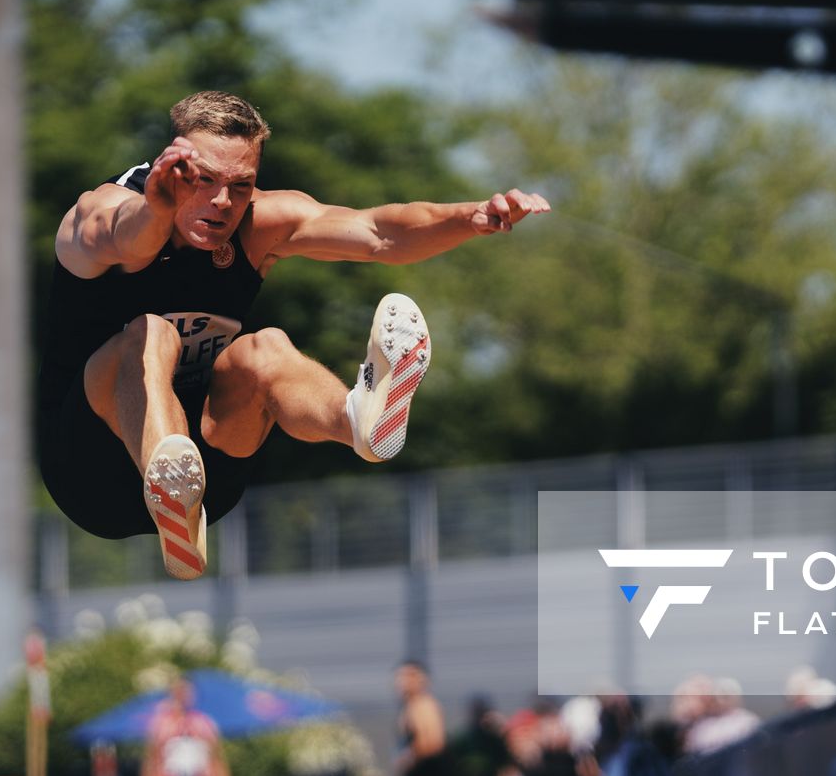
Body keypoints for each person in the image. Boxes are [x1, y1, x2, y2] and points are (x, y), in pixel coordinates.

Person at [39, 90, 549, 579]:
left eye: (241, 185)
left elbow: (378, 232)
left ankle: (358, 422)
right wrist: (158, 209)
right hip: (89, 471)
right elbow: (119, 237)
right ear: (168, 166)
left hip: (210, 477)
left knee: (267, 348)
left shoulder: (258, 221)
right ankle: (166, 475)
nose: (222, 202)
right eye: (205, 181)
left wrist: (471, 217)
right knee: (151, 334)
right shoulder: (102, 209)